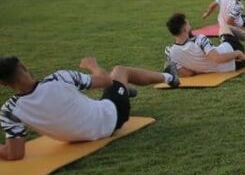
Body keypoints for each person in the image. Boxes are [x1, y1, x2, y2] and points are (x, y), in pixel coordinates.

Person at [0, 55, 178, 160]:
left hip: (78, 136)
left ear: (2, 83)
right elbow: (105, 81)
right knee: (119, 71)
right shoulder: (60, 78)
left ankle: (123, 90)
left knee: (114, 87)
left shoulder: (9, 111)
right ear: (23, 67)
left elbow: (14, 153)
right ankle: (169, 77)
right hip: (111, 119)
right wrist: (92, 66)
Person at [164, 13, 245, 76]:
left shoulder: (171, 53)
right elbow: (218, 58)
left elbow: (188, 73)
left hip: (234, 65)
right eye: (188, 24)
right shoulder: (199, 39)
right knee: (224, 26)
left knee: (243, 55)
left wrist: (202, 66)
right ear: (184, 29)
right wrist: (236, 52)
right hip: (233, 54)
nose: (190, 25)